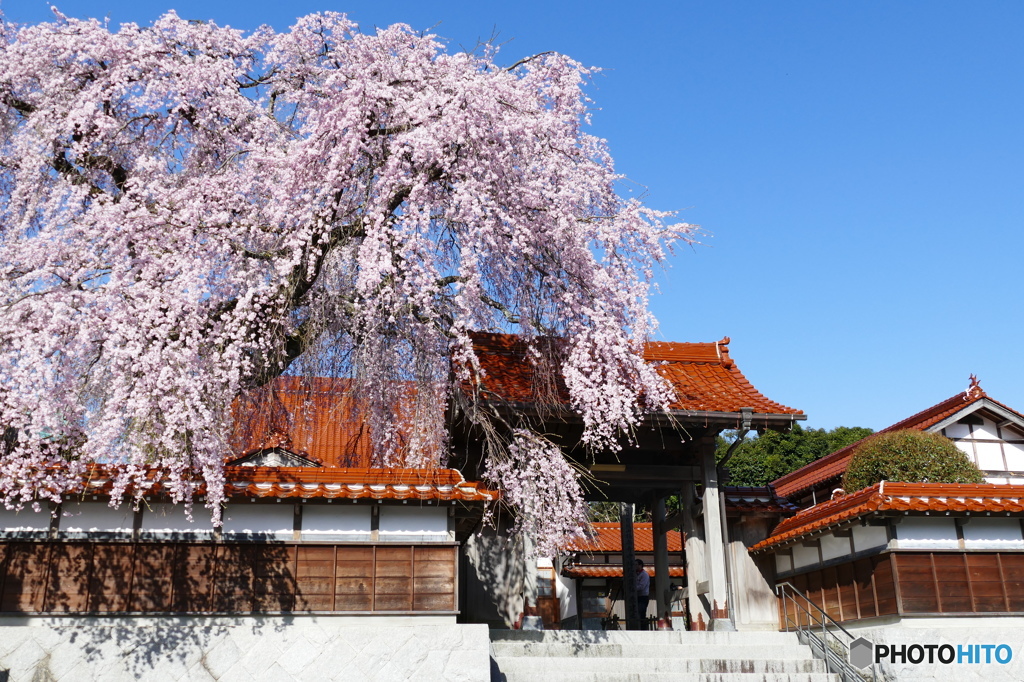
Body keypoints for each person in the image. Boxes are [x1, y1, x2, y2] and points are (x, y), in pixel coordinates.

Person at [635, 559, 650, 624]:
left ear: (640, 565)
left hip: (643, 597)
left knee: (641, 614)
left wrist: (632, 589)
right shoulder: (635, 574)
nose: (634, 566)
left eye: (636, 565)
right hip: (637, 596)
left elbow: (641, 587)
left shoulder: (644, 575)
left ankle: (642, 628)